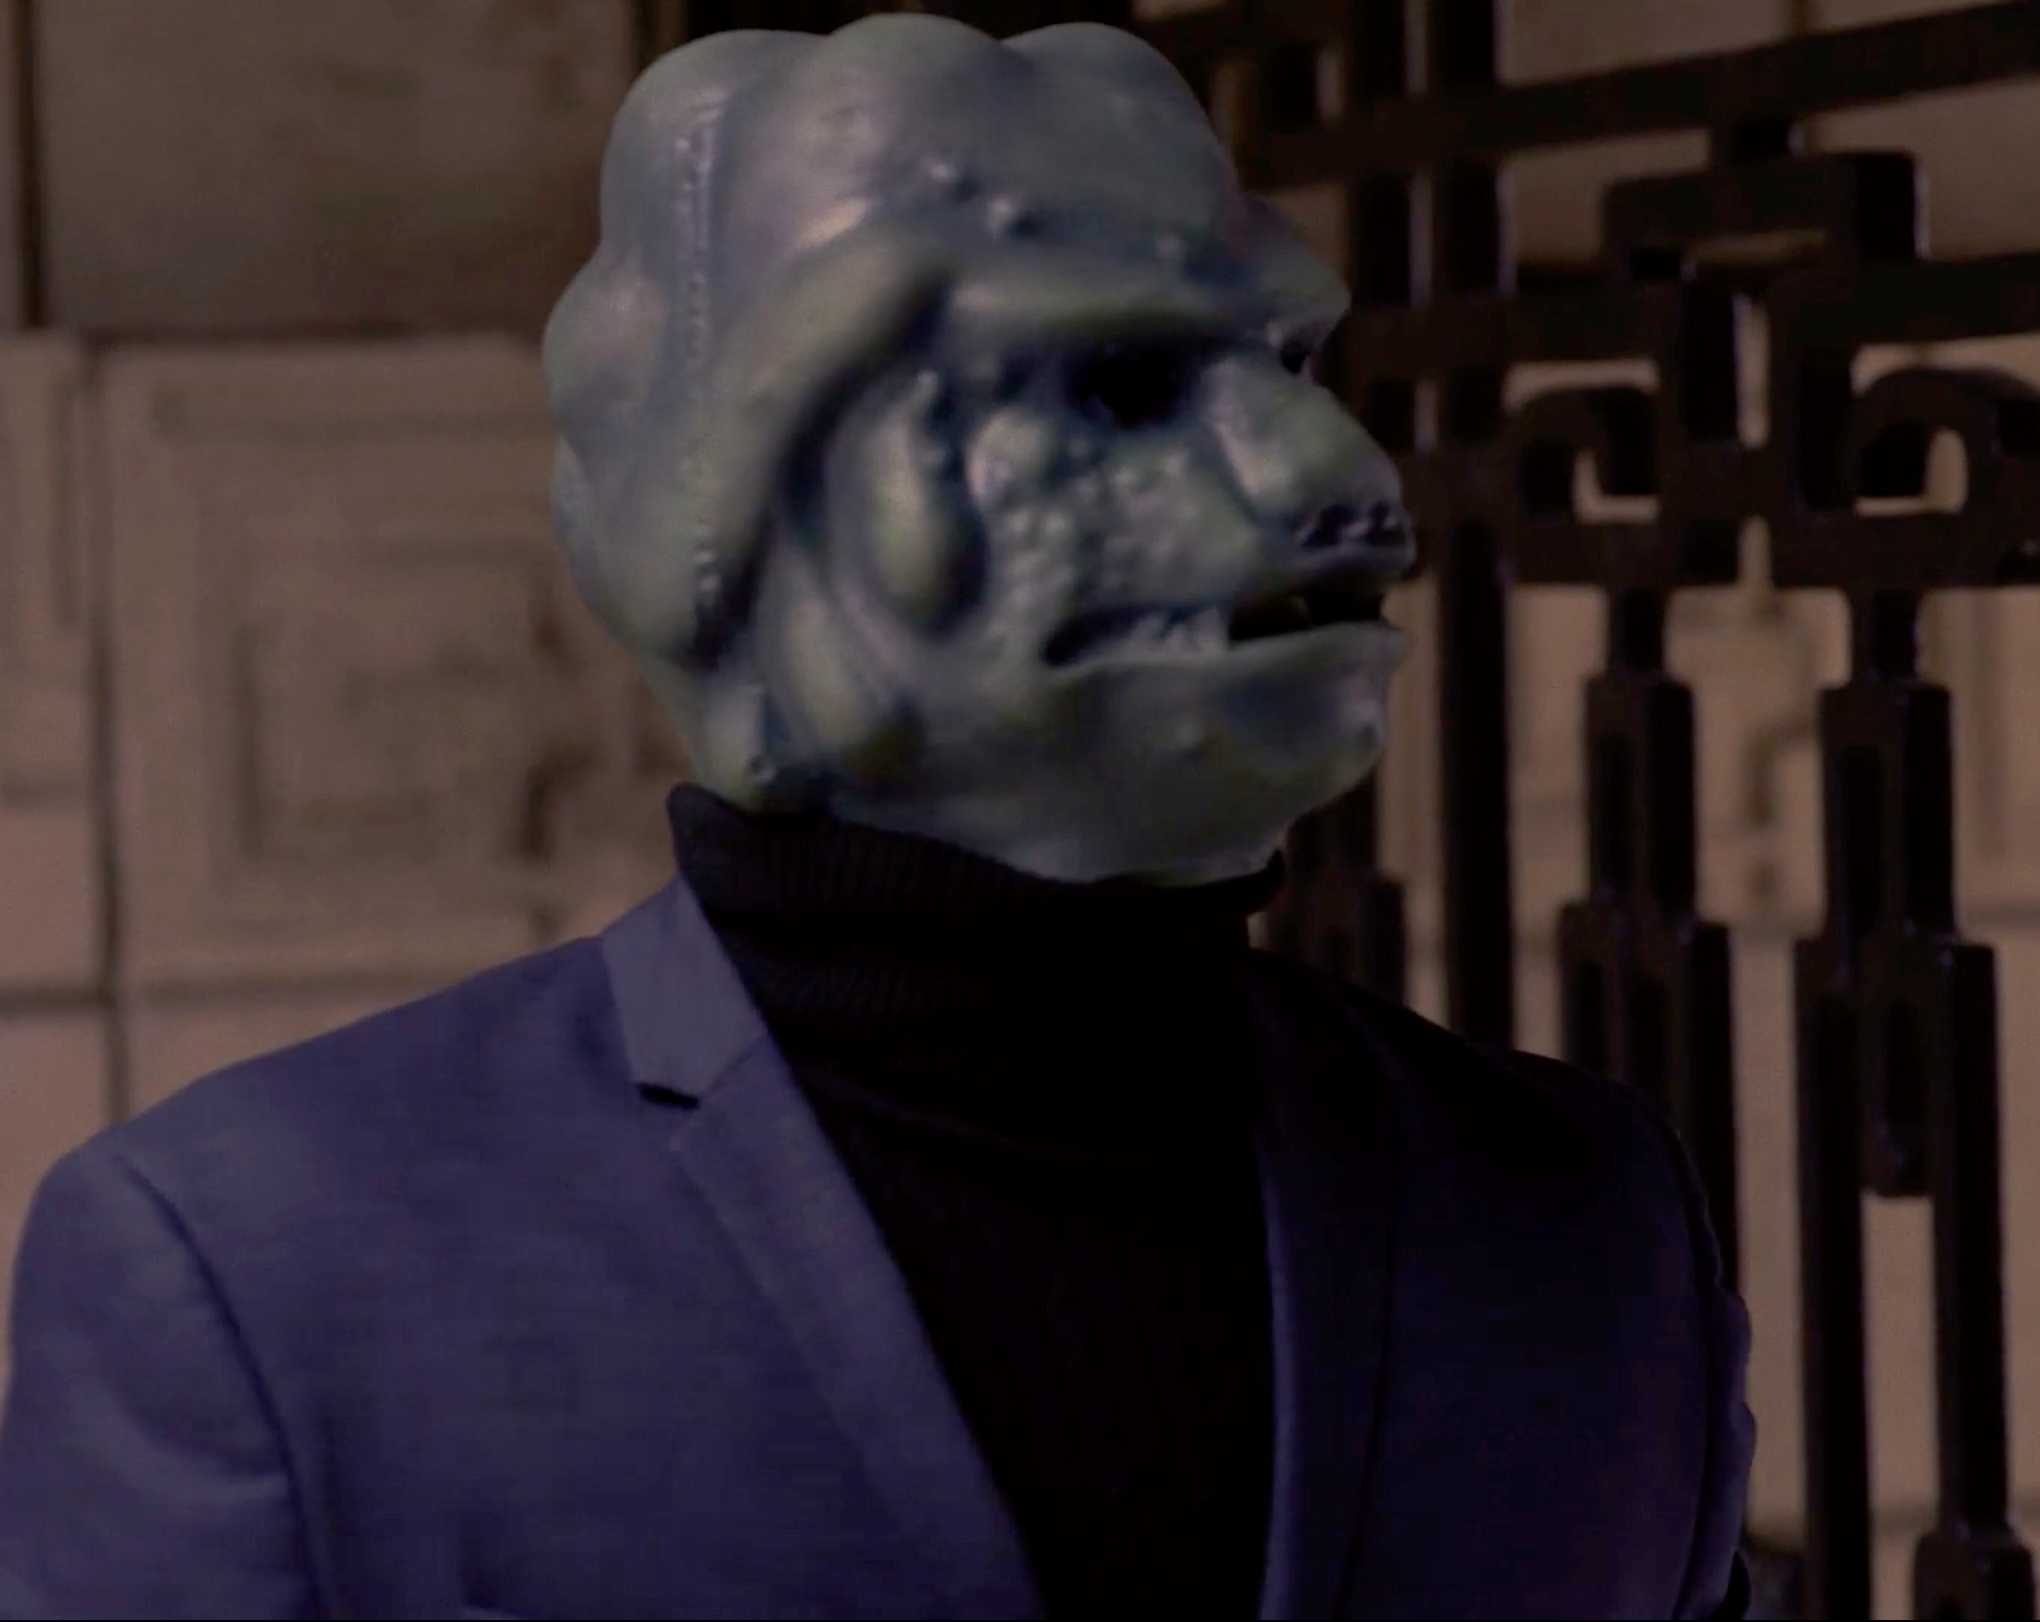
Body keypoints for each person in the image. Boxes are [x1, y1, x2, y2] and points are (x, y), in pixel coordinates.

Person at [0, 16, 1752, 1619]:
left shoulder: (1592, 1226)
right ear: (770, 489)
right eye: (1113, 384)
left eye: (1289, 360)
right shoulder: (262, 1278)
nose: (1338, 476)